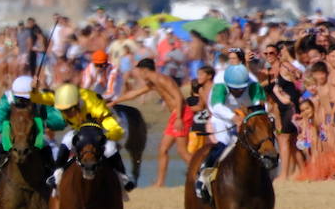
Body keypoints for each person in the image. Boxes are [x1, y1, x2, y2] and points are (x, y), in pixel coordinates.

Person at [30, 82, 132, 191]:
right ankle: (57, 174)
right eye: (63, 111)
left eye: (68, 110)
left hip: (99, 129)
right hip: (79, 129)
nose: (66, 113)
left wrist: (105, 137)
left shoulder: (95, 106)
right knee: (66, 140)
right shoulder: (61, 98)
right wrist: (33, 90)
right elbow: (38, 98)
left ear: (77, 104)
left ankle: (123, 176)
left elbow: (116, 129)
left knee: (110, 148)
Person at [0, 74, 66, 199]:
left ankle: (53, 181)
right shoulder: (7, 100)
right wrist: (13, 126)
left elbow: (60, 122)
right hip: (11, 138)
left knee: (51, 152)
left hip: (35, 138)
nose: (23, 102)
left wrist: (39, 123)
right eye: (20, 99)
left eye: (27, 99)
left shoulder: (40, 99)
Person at [194, 63, 268, 199]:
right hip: (222, 114)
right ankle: (203, 178)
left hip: (246, 111)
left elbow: (261, 108)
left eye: (241, 89)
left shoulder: (253, 85)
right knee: (223, 144)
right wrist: (234, 118)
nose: (239, 92)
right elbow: (216, 107)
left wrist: (248, 120)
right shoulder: (220, 84)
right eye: (235, 89)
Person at [111, 57, 187, 187]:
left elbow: (178, 96)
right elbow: (134, 94)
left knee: (182, 151)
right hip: (176, 115)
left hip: (181, 115)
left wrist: (179, 117)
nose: (139, 75)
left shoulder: (161, 79)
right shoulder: (153, 82)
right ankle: (160, 183)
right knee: (163, 149)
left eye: (140, 71)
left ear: (145, 70)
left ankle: (201, 172)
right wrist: (114, 102)